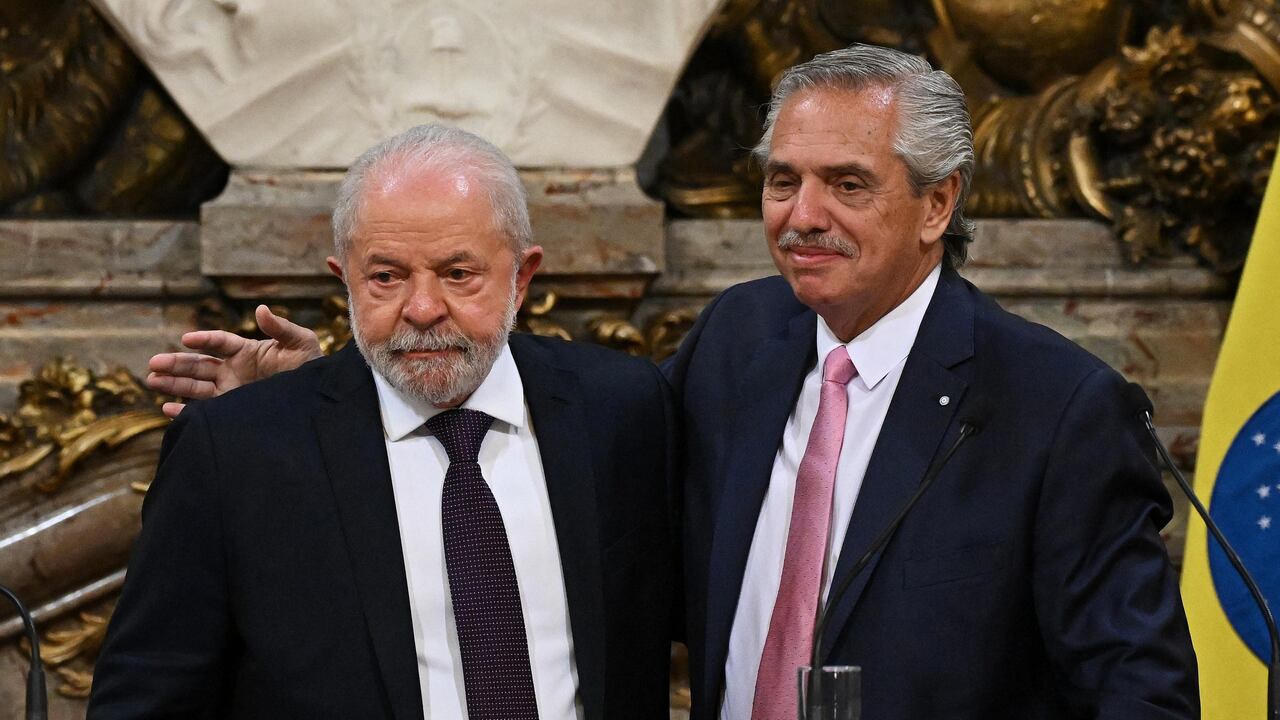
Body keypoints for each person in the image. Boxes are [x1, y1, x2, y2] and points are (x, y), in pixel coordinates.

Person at [144, 45, 1200, 719]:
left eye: (846, 183)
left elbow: (1140, 695)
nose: (803, 215)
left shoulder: (1057, 407)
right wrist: (327, 404)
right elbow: (550, 460)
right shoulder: (739, 342)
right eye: (782, 180)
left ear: (938, 204)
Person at [89, 124, 675, 719]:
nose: (421, 309)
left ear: (521, 279)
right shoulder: (237, 449)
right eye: (386, 277)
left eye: (458, 274)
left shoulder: (621, 409)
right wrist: (280, 417)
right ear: (344, 279)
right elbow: (145, 698)